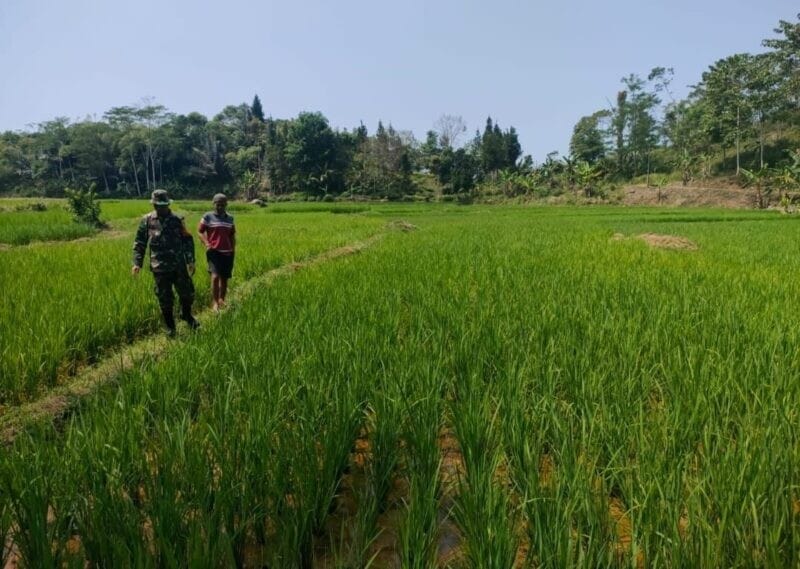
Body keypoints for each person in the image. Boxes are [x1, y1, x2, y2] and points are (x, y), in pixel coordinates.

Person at [132, 189, 199, 336]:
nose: (160, 208)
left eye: (163, 205)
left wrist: (190, 261)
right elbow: (140, 243)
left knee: (187, 294)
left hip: (178, 265)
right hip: (159, 268)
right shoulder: (147, 220)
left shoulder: (177, 220)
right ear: (153, 205)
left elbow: (187, 239)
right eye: (157, 205)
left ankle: (186, 315)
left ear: (168, 204)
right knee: (165, 299)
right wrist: (137, 263)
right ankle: (170, 328)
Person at [198, 193, 236, 312]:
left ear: (226, 205)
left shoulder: (230, 218)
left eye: (223, 205)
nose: (220, 207)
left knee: (224, 278)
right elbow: (200, 231)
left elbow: (232, 235)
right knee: (215, 277)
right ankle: (215, 303)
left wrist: (233, 250)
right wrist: (207, 243)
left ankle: (222, 300)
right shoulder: (207, 216)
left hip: (227, 252)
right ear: (213, 204)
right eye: (218, 204)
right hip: (214, 252)